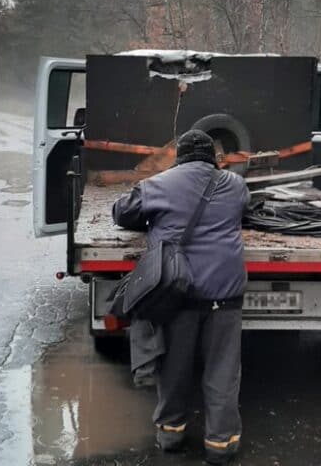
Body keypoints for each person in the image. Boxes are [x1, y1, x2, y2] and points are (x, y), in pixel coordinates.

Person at [112, 129, 250, 464]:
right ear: (213, 157)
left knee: (173, 367)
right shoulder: (235, 185)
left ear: (180, 156)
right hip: (225, 295)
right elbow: (241, 210)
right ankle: (221, 445)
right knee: (222, 372)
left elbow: (121, 212)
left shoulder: (159, 184)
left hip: (179, 293)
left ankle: (171, 434)